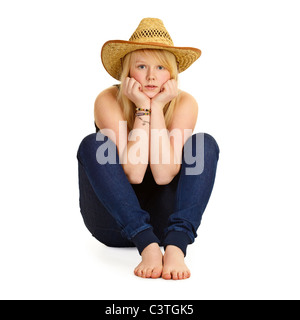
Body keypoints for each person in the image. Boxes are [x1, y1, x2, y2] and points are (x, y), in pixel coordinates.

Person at [77, 18, 220, 280]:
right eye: (141, 66)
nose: (152, 76)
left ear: (172, 74)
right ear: (128, 72)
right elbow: (133, 173)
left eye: (161, 67)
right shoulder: (108, 99)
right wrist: (143, 106)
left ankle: (177, 245)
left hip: (166, 224)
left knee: (204, 144)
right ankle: (148, 245)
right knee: (94, 144)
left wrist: (157, 108)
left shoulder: (184, 103)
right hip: (112, 222)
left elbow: (164, 175)